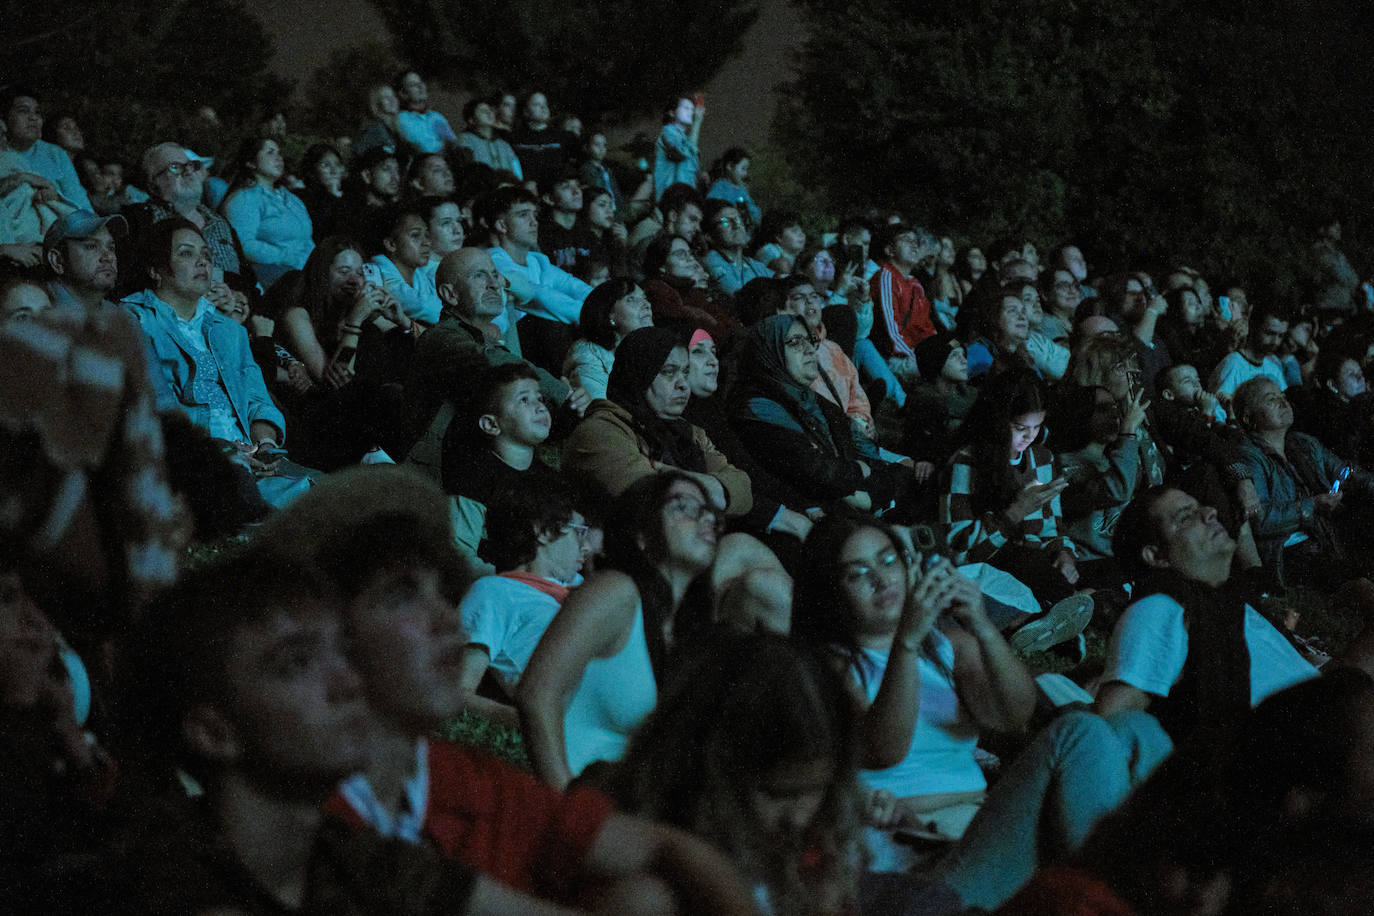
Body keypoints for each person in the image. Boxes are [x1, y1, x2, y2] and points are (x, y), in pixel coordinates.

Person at [113, 548, 611, 914]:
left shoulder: (347, 853)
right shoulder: (168, 886)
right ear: (213, 732)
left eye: (343, 654)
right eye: (295, 664)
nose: (349, 683)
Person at [792, 512, 1036, 869]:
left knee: (1078, 736)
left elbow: (1013, 715)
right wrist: (905, 644)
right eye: (857, 573)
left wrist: (982, 626)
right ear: (830, 592)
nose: (881, 578)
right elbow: (883, 750)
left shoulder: (947, 645)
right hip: (899, 826)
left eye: (888, 560)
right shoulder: (828, 664)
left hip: (974, 813)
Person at [519, 471, 769, 787]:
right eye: (683, 507)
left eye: (709, 511)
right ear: (640, 534)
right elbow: (537, 695)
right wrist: (569, 808)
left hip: (633, 812)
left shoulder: (691, 630)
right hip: (581, 803)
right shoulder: (616, 592)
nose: (705, 518)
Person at [606, 633, 866, 916]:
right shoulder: (648, 891)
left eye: (818, 790)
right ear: (706, 775)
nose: (799, 818)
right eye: (777, 794)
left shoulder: (812, 858)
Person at [122, 218, 314, 508]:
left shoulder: (230, 331)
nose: (202, 262)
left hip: (248, 454)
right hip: (194, 455)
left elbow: (257, 398)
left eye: (206, 255)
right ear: (154, 269)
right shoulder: (134, 321)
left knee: (336, 497)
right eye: (186, 253)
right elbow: (157, 407)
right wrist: (224, 447)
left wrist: (265, 445)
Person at [563, 326, 753, 519]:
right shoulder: (601, 432)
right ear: (638, 374)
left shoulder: (690, 433)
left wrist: (683, 478)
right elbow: (655, 505)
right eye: (668, 372)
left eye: (685, 373)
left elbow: (744, 489)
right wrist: (716, 488)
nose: (683, 384)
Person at [731, 314, 909, 517]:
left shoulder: (810, 398)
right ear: (770, 352)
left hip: (853, 499)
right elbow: (811, 472)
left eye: (810, 340)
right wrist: (859, 473)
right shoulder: (757, 406)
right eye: (795, 342)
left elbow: (867, 453)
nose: (809, 349)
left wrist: (871, 489)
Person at [940, 369, 1084, 610]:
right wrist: (1016, 512)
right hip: (994, 564)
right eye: (1020, 428)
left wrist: (1064, 554)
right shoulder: (968, 461)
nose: (1029, 436)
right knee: (1028, 563)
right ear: (999, 421)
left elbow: (1051, 527)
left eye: (1037, 427)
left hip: (1036, 559)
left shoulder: (1043, 459)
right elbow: (958, 547)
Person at [457, 484, 593, 728]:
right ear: (542, 531)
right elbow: (457, 690)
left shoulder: (585, 590)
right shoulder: (495, 593)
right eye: (580, 533)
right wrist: (533, 724)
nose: (587, 546)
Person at [1232, 375, 1373, 584]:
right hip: (1294, 550)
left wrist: (1369, 482)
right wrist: (1312, 505)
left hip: (1325, 533)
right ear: (1248, 418)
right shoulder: (1250, 457)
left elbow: (1344, 472)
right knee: (1355, 576)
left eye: (1282, 395)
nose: (1283, 402)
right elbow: (1260, 519)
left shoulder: (1303, 443)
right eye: (1271, 399)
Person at [439, 362, 569, 570]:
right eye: (524, 400)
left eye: (540, 398)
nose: (540, 407)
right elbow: (459, 555)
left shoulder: (550, 479)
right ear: (491, 424)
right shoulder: (474, 482)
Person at [123, 141, 253, 290]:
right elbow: (134, 280)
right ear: (153, 185)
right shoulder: (139, 221)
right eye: (175, 167)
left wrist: (241, 299)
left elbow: (248, 279)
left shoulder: (220, 222)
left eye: (191, 165)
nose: (188, 171)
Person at [220, 135, 314, 290]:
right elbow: (244, 244)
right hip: (275, 276)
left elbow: (307, 239)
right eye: (270, 152)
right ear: (251, 162)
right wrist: (285, 256)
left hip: (304, 270)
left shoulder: (291, 199)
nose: (278, 158)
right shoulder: (244, 199)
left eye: (279, 153)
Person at [1, 88, 90, 211]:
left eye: (37, 112)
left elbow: (81, 205)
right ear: (4, 119)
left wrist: (55, 198)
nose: (33, 117)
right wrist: (22, 178)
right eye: (23, 111)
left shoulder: (55, 154)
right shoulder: (3, 154)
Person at [563, 278, 653, 400]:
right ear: (609, 314)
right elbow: (602, 410)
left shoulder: (649, 347)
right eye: (631, 299)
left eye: (645, 298)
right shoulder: (588, 356)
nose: (646, 305)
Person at [640, 233, 739, 342]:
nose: (690, 259)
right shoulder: (658, 290)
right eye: (681, 255)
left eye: (690, 254)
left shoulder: (706, 293)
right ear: (662, 265)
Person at [869, 223, 939, 377]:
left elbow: (925, 326)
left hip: (916, 353)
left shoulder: (915, 284)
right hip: (895, 357)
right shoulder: (886, 276)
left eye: (916, 241)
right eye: (907, 240)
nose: (914, 245)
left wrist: (938, 349)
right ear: (889, 250)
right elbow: (890, 330)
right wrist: (921, 356)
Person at [368, 203, 440, 325]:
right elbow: (427, 308)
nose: (427, 242)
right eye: (416, 235)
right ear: (391, 244)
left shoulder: (421, 276)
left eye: (426, 235)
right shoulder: (377, 275)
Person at [43, 209, 125, 313]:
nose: (109, 257)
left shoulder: (119, 316)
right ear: (57, 261)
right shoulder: (38, 313)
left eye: (111, 248)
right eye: (91, 246)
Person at [1209, 303, 1289, 405]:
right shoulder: (1233, 364)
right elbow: (1217, 412)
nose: (1276, 342)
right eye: (1269, 333)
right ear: (1253, 326)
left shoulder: (1274, 370)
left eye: (1281, 336)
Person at [965, 284, 1036, 380]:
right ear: (994, 318)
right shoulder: (978, 352)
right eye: (1012, 311)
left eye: (1023, 311)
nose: (1022, 317)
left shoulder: (1025, 356)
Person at [507, 92, 577, 187]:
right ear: (526, 111)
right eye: (537, 104)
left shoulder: (564, 137)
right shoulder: (515, 138)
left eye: (545, 104)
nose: (543, 108)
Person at [703, 200, 770, 296]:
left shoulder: (753, 265)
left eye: (738, 219)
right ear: (709, 236)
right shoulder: (712, 261)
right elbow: (737, 295)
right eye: (726, 222)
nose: (736, 225)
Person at [393, 70, 460, 156]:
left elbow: (453, 143)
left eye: (420, 82)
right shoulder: (402, 119)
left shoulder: (436, 116)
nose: (420, 86)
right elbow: (423, 149)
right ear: (403, 94)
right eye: (413, 85)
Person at [295, 142, 350, 241]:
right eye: (326, 165)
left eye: (337, 164)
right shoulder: (303, 197)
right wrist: (333, 197)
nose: (333, 171)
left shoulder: (350, 194)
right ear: (312, 171)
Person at [458, 97, 523, 178]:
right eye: (483, 111)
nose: (489, 113)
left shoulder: (504, 144)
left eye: (490, 110)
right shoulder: (465, 141)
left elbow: (517, 172)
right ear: (472, 120)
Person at [653, 96, 701, 201]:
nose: (691, 112)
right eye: (686, 108)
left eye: (692, 109)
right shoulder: (668, 132)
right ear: (672, 113)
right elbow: (680, 153)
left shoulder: (686, 138)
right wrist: (697, 123)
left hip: (684, 197)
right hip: (670, 197)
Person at [705, 147, 761, 227]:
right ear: (730, 166)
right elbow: (712, 210)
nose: (745, 173)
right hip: (729, 229)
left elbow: (752, 208)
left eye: (746, 169)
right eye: (743, 168)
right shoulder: (720, 187)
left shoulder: (742, 190)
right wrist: (726, 225)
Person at [355, 83, 404, 159]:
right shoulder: (375, 130)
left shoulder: (399, 127)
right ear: (376, 104)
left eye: (393, 96)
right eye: (385, 98)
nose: (391, 100)